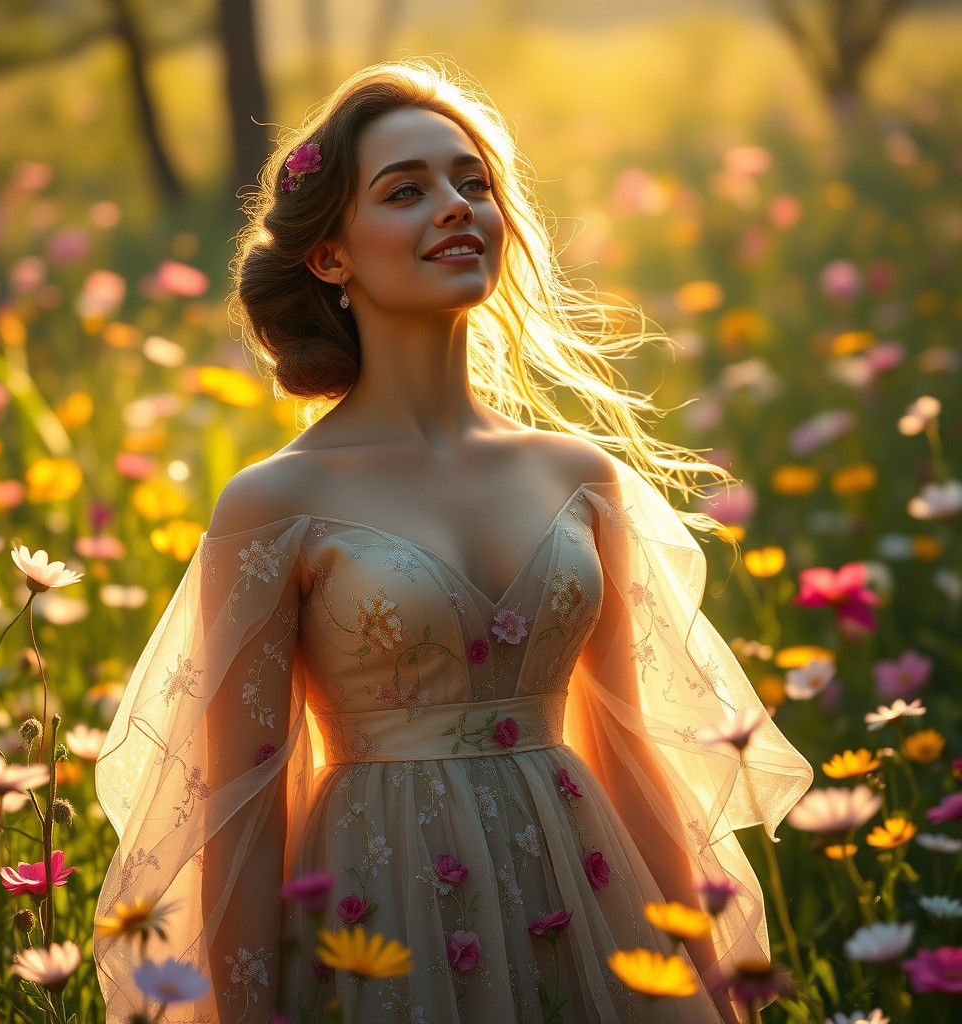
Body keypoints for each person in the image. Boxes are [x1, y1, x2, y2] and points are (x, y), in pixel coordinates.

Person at [92, 58, 812, 1024]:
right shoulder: (277, 501)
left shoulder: (575, 476)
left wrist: (710, 983)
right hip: (380, 919)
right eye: (406, 190)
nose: (456, 207)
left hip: (585, 895)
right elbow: (243, 813)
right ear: (330, 255)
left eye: (474, 183)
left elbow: (629, 749)